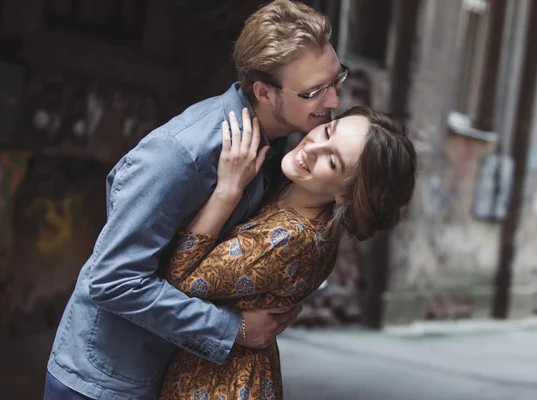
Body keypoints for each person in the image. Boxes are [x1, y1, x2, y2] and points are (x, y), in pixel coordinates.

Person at [44, 1, 346, 399]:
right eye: (314, 92)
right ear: (264, 93)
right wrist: (234, 328)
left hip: (169, 372)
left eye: (336, 79)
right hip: (105, 381)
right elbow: (112, 281)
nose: (333, 101)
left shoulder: (281, 150)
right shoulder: (180, 154)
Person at [159, 104, 417, 399]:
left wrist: (227, 190)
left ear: (346, 194)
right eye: (327, 132)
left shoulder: (291, 239)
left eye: (332, 161)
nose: (313, 148)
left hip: (219, 387)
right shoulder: (289, 191)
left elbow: (178, 282)